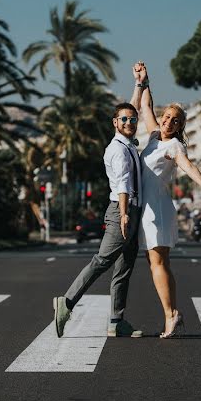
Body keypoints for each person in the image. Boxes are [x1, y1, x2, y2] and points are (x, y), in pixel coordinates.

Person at [130, 61, 201, 338]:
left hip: (154, 208)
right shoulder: (156, 136)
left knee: (157, 263)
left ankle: (171, 315)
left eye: (175, 120)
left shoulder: (174, 145)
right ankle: (172, 312)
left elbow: (187, 165)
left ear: (181, 126)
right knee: (158, 263)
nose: (169, 122)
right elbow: (146, 106)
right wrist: (144, 80)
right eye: (167, 117)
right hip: (149, 206)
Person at [52, 101, 144, 339]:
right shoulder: (119, 150)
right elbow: (123, 184)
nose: (129, 123)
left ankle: (116, 321)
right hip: (122, 210)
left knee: (124, 268)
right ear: (114, 123)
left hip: (133, 211)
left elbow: (132, 106)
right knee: (102, 260)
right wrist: (124, 214)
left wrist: (140, 84)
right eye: (123, 119)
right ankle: (67, 301)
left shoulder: (129, 144)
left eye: (133, 119)